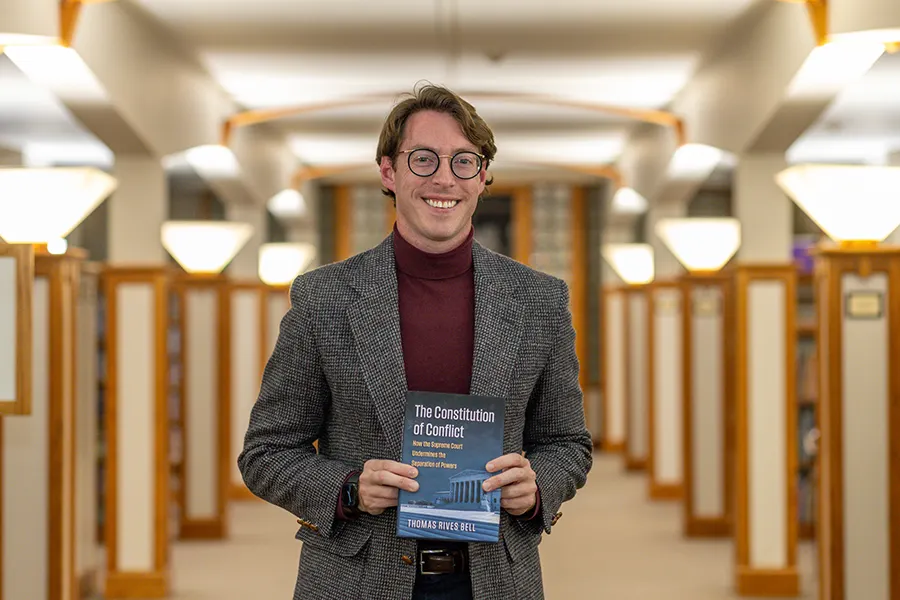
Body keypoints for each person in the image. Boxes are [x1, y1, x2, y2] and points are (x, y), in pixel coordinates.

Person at [238, 83, 593, 600]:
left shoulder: (540, 300)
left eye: (464, 161)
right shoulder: (324, 298)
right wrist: (348, 489)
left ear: (483, 176)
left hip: (494, 578)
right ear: (389, 171)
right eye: (423, 160)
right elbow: (266, 452)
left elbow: (568, 443)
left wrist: (537, 487)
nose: (445, 178)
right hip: (356, 578)